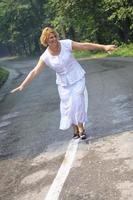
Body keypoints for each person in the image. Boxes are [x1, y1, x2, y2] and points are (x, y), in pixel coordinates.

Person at [11, 27, 116, 139]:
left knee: (78, 100)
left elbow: (84, 45)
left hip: (77, 76)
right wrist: (23, 85)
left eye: (55, 36)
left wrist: (104, 47)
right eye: (51, 38)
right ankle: (74, 129)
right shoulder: (45, 56)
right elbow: (35, 71)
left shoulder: (66, 44)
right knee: (68, 106)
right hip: (63, 84)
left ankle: (81, 128)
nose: (54, 39)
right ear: (46, 40)